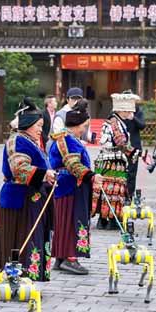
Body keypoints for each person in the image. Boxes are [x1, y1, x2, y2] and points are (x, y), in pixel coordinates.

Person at [0, 97, 55, 281]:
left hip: (33, 200)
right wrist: (45, 174)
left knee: (32, 239)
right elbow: (19, 169)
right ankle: (16, 276)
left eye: (42, 125)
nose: (40, 130)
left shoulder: (30, 141)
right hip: (20, 201)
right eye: (38, 125)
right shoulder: (17, 140)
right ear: (27, 124)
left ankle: (29, 275)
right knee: (21, 239)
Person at [50, 100, 103, 274]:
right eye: (83, 126)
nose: (84, 130)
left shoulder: (66, 138)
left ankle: (60, 257)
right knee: (73, 221)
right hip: (71, 187)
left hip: (65, 187)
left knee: (64, 221)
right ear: (75, 125)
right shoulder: (69, 141)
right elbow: (73, 164)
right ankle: (70, 258)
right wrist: (91, 176)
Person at [93, 92, 140, 229]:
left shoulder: (114, 121)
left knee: (107, 190)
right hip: (114, 161)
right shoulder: (115, 123)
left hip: (108, 160)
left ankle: (104, 220)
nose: (130, 113)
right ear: (122, 110)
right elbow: (121, 143)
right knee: (115, 190)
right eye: (128, 110)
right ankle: (112, 220)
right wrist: (136, 152)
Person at [123, 91, 146, 198]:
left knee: (132, 173)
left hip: (134, 146)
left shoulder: (138, 111)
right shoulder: (117, 112)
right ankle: (120, 194)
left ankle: (129, 195)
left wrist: (133, 118)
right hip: (120, 146)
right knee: (120, 171)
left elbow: (142, 126)